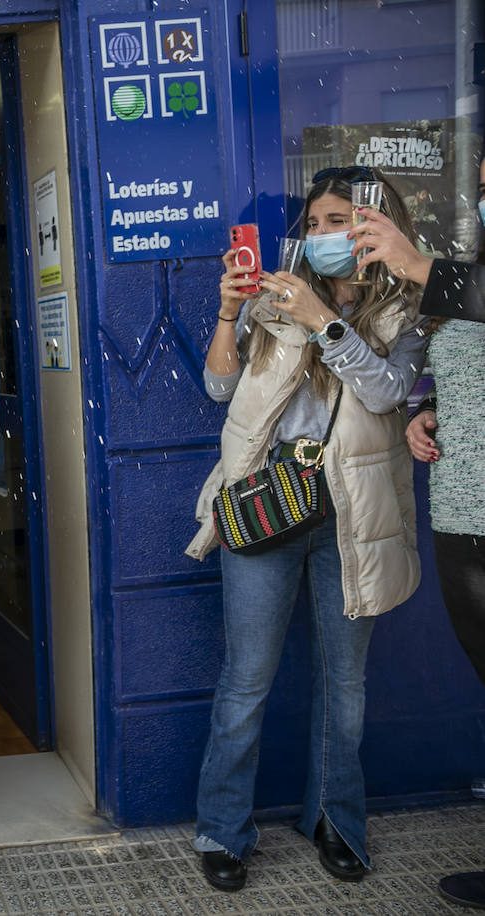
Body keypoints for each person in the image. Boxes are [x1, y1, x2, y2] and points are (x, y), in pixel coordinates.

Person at [185, 166, 427, 892]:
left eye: (338, 223)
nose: (323, 236)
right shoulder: (272, 296)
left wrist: (326, 321)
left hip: (352, 518)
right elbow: (220, 387)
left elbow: (386, 392)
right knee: (245, 680)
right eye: (315, 223)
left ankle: (336, 823)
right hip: (265, 506)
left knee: (344, 685)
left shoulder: (405, 309)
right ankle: (223, 832)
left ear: (374, 230)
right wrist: (231, 314)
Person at [356, 157, 485, 910]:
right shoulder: (467, 272)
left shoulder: (452, 276)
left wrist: (415, 264)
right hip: (464, 515)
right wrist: (428, 415)